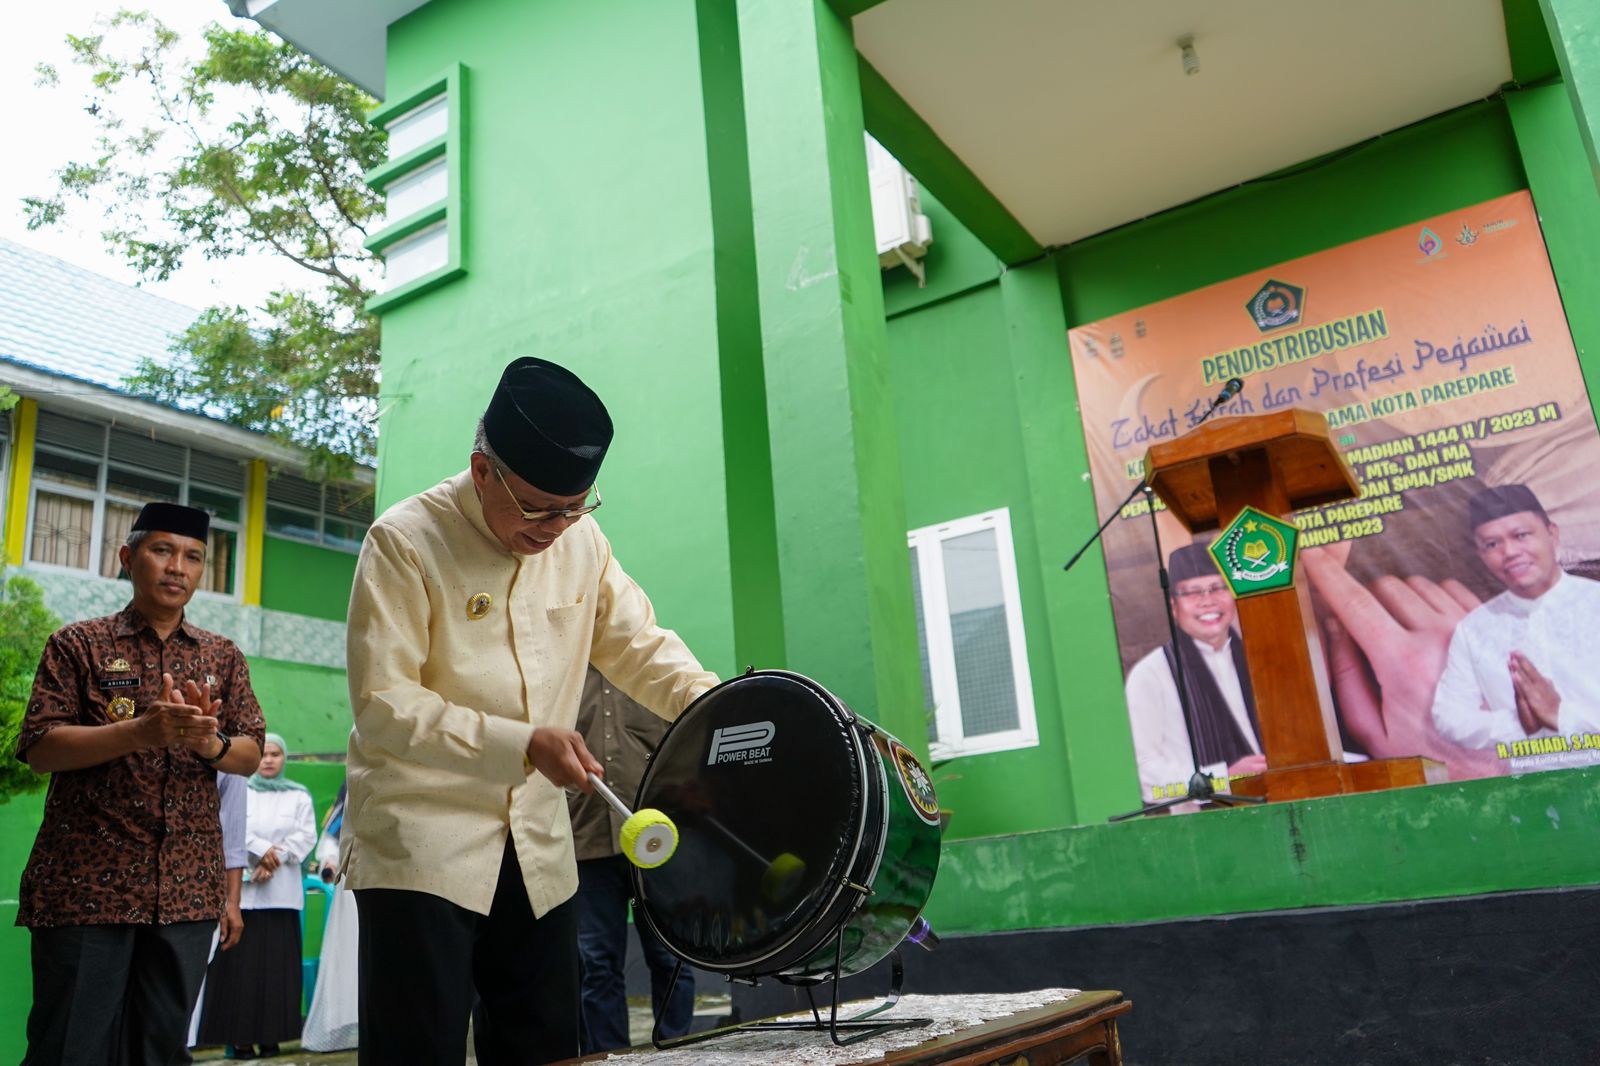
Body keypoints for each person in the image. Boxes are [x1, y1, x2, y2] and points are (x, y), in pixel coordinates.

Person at [343, 356, 719, 1066]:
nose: (557, 527)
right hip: (423, 841)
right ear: (482, 469)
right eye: (539, 507)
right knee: (415, 1049)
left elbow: (640, 646)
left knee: (547, 1047)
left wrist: (717, 708)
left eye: (576, 508)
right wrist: (522, 743)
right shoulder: (404, 541)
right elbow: (384, 706)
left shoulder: (581, 542)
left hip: (540, 844)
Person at [14, 501, 265, 1066]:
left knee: (159, 1051)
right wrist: (138, 732)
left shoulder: (222, 656)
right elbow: (41, 747)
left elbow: (248, 754)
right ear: (128, 558)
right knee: (70, 1049)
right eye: (162, 550)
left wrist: (210, 745)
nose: (178, 567)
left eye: (193, 557)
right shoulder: (77, 644)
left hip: (184, 893)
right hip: (86, 890)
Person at [570, 667, 695, 1053]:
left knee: (671, 956)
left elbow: (684, 750)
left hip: (656, 844)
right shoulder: (564, 676)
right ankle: (611, 1057)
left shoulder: (652, 672)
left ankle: (677, 1052)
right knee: (597, 964)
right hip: (586, 840)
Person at [1430, 483, 1600, 751]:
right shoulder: (1473, 629)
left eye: (1521, 535)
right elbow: (1449, 717)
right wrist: (1518, 725)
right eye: (1492, 544)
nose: (1509, 552)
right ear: (1481, 555)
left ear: (1552, 534)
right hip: (1532, 785)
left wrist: (1560, 715)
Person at [196, 734, 317, 1059]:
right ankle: (240, 1039)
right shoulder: (239, 788)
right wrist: (262, 853)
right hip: (243, 894)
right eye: (263, 754)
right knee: (240, 971)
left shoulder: (298, 795)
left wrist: (274, 860)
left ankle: (272, 1038)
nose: (268, 760)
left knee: (278, 970)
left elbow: (306, 835)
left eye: (276, 754)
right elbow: (230, 827)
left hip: (282, 894)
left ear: (284, 758)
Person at [1124, 542, 1265, 802]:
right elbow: (1143, 775)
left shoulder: (1261, 659)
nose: (1208, 600)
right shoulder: (1151, 674)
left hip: (1281, 799)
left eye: (1217, 587)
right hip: (1202, 825)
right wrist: (1223, 778)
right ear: (1174, 607)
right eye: (1192, 593)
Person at [184, 771, 249, 1056]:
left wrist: (231, 902)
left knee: (180, 1005)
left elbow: (233, 838)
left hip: (194, 896)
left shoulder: (227, 746)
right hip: (119, 899)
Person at [301, 783, 359, 1052]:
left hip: (391, 884)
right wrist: (330, 863)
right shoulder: (346, 805)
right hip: (352, 889)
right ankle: (347, 1024)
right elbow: (329, 844)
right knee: (348, 954)